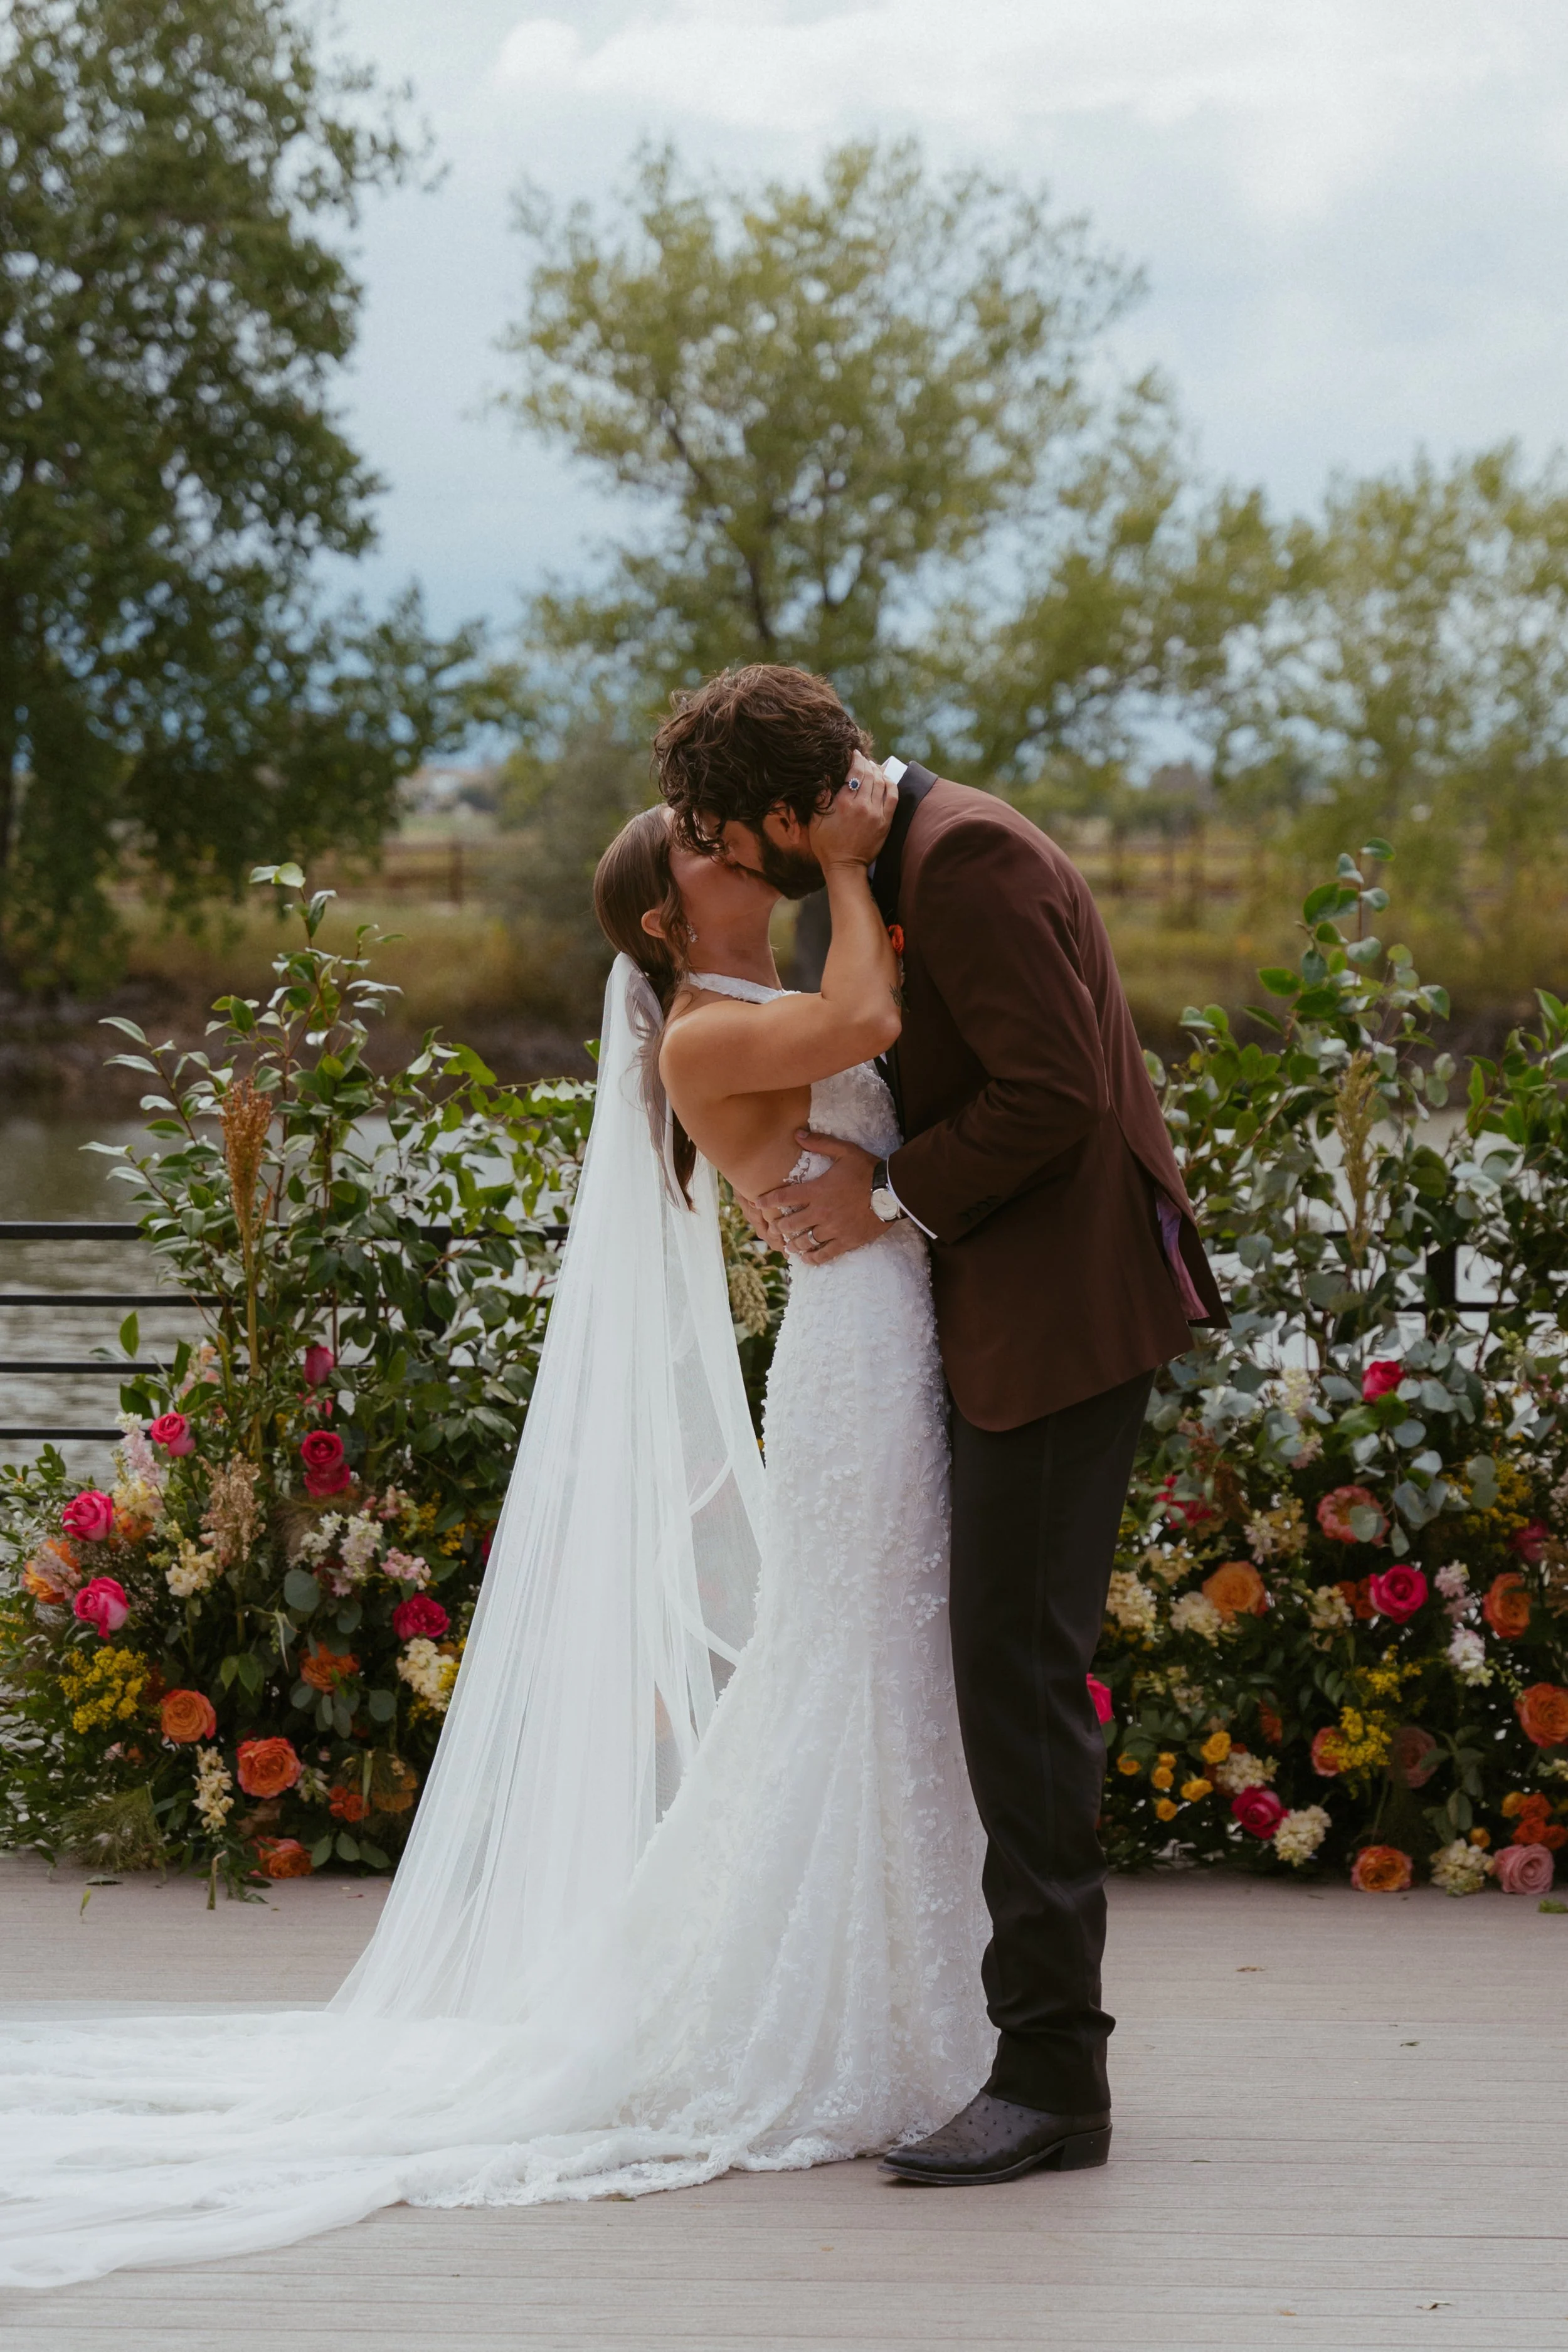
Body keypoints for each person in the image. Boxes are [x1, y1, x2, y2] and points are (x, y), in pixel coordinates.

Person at [0, 744, 1001, 2291]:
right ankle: (834, 2019)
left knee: (868, 1663)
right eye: (695, 841)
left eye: (713, 828)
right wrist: (863, 859)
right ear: (665, 920)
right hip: (854, 1354)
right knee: (853, 1663)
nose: (724, 844)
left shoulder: (758, 991)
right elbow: (869, 1022)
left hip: (888, 1328)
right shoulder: (699, 1039)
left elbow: (867, 1027)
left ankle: (895, 2003)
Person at [653, 662, 1224, 2186]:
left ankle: (1051, 2079)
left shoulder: (964, 858)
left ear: (788, 812)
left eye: (730, 829)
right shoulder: (904, 859)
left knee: (1014, 1679)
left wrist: (888, 1195)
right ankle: (1008, 2044)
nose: (732, 857)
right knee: (991, 1673)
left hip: (1059, 1320)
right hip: (984, 1318)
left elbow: (1056, 1097)